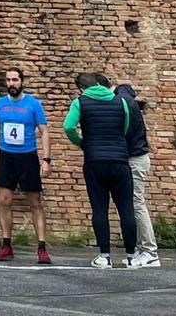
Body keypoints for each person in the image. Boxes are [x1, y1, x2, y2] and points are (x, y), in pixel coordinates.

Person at [63, 71, 139, 268]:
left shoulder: (80, 102)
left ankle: (104, 256)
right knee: (126, 209)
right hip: (120, 160)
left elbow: (68, 127)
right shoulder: (120, 101)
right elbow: (126, 127)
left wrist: (82, 143)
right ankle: (131, 256)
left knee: (100, 208)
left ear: (83, 88)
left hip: (94, 161)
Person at [0, 66, 52, 264]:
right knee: (4, 200)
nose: (11, 84)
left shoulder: (33, 104)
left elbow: (45, 131)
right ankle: (6, 245)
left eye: (15, 80)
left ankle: (42, 248)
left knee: (35, 202)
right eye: (8, 80)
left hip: (28, 157)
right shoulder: (0, 104)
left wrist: (46, 159)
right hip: (7, 157)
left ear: (22, 81)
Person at [115, 82, 160, 268]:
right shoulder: (131, 103)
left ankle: (150, 252)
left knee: (137, 204)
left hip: (135, 160)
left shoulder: (122, 103)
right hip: (137, 158)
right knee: (134, 204)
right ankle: (144, 251)